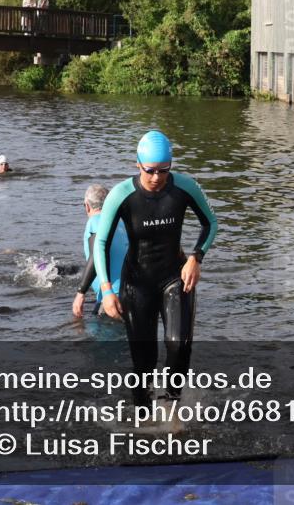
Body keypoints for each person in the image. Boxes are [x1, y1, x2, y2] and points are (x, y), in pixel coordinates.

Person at [94, 130, 217, 405]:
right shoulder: (122, 194)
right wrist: (106, 290)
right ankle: (143, 416)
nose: (156, 178)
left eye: (164, 170)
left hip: (176, 276)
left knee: (179, 346)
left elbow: (210, 223)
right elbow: (101, 242)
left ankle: (172, 407)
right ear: (137, 164)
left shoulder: (184, 188)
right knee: (144, 360)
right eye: (150, 170)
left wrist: (197, 257)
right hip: (137, 283)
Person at [73, 185, 130, 318]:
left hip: (112, 296)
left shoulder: (95, 222)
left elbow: (97, 254)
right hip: (132, 291)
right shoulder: (121, 223)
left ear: (87, 206)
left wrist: (81, 293)